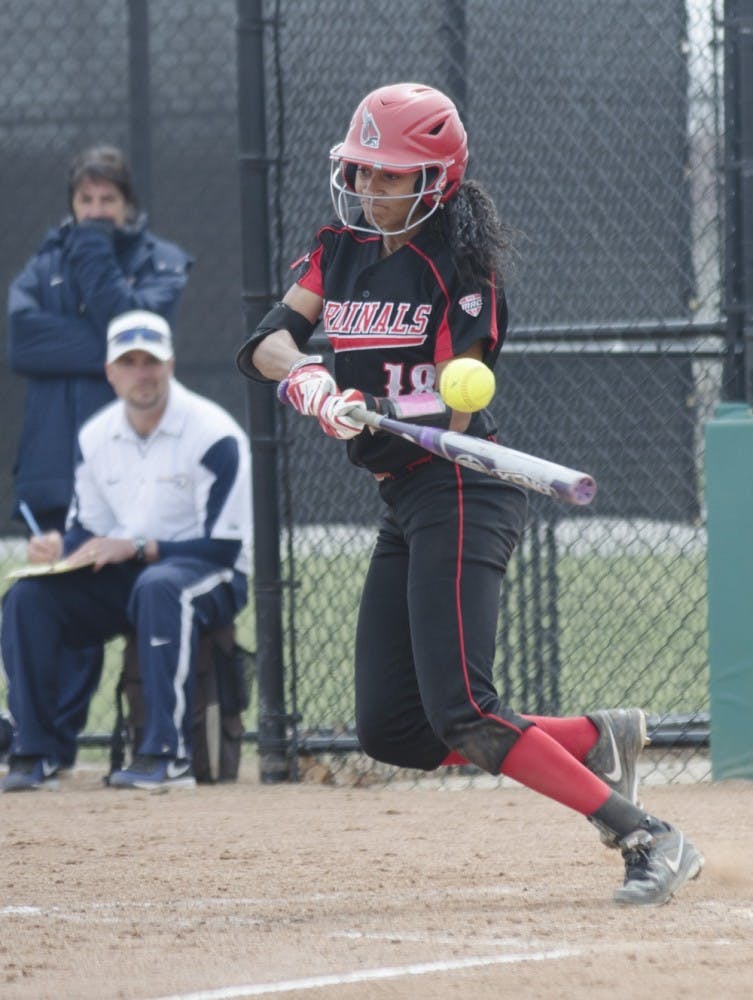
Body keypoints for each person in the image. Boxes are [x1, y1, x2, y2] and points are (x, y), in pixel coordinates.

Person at [236, 82, 703, 906]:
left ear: (436, 180)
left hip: (460, 489)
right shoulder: (336, 247)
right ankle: (598, 737)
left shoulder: (461, 267)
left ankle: (646, 834)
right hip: (401, 498)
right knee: (396, 731)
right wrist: (307, 379)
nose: (373, 188)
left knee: (465, 710)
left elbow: (458, 402)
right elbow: (268, 340)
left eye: (391, 175)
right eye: (364, 170)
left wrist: (377, 407)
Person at [2, 309, 252, 791]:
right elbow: (87, 533)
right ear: (110, 373)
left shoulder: (214, 434)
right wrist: (60, 549)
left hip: (208, 574)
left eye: (151, 361)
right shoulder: (95, 437)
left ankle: (166, 756)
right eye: (130, 362)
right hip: (131, 575)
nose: (143, 372)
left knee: (162, 588)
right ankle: (35, 753)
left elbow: (224, 548)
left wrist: (138, 546)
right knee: (28, 598)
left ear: (171, 365)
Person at [5, 144, 193, 767]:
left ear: (127, 203)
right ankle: (42, 746)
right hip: (49, 468)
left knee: (90, 593)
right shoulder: (41, 263)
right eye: (84, 201)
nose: (93, 212)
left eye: (106, 200)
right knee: (43, 597)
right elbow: (22, 345)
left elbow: (136, 336)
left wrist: (91, 256)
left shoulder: (162, 261)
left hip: (127, 479)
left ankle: (65, 737)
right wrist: (112, 347)